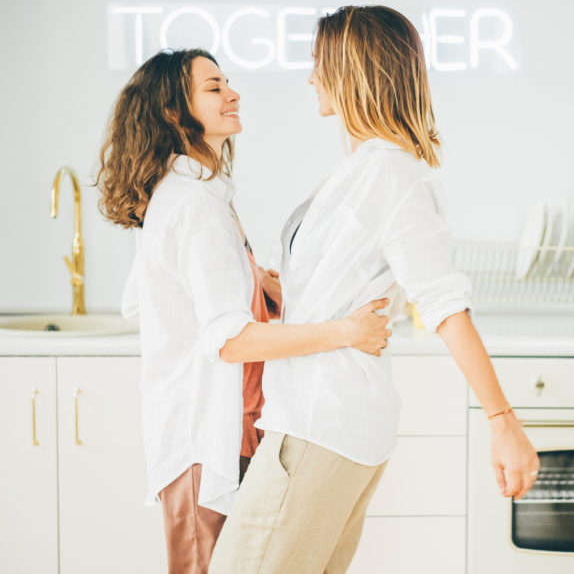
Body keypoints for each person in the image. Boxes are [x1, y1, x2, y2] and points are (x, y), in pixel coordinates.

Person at [209, 6, 540, 574]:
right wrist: (283, 291)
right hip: (320, 420)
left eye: (318, 64)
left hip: (321, 423)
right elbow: (339, 282)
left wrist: (502, 420)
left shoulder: (395, 176)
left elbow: (442, 303)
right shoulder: (363, 169)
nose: (310, 77)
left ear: (352, 70)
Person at [94, 48, 392, 574]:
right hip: (202, 442)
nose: (232, 93)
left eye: (227, 82)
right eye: (213, 88)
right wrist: (347, 331)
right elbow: (230, 340)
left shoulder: (201, 194)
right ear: (171, 111)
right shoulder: (191, 203)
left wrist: (260, 285)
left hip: (229, 433)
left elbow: (166, 293)